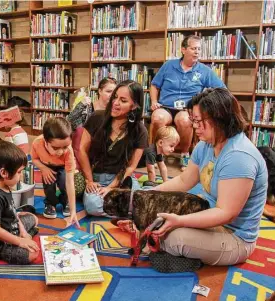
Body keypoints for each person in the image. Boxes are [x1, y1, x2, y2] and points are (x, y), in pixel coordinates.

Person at [152, 88, 267, 266]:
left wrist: (180, 221)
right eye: (193, 120)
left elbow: (225, 214)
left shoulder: (239, 156)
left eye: (198, 121)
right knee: (156, 214)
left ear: (220, 118)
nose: (194, 126)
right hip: (209, 215)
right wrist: (149, 193)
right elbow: (184, 181)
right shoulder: (205, 144)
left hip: (235, 237)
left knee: (171, 237)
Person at [150, 35, 225, 171]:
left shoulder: (204, 71)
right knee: (157, 118)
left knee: (185, 120)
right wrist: (154, 101)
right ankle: (156, 154)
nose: (197, 52)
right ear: (183, 50)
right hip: (165, 106)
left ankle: (184, 154)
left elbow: (221, 89)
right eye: (193, 48)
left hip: (187, 109)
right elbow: (154, 85)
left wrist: (206, 105)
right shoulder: (168, 65)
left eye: (199, 49)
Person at [79, 80, 148, 216]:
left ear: (134, 106)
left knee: (141, 203)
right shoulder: (96, 117)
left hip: (121, 178)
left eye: (123, 100)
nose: (115, 103)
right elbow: (82, 150)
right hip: (96, 178)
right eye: (115, 97)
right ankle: (125, 210)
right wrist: (89, 180)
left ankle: (122, 206)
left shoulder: (140, 130)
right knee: (93, 206)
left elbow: (131, 167)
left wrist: (111, 188)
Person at [0, 140, 40, 264]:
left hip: (10, 226)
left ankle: (26, 234)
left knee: (34, 218)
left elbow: (12, 212)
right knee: (32, 254)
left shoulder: (5, 185)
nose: (21, 176)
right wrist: (20, 241)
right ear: (4, 172)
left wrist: (22, 231)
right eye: (19, 172)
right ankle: (28, 236)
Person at [31, 117, 79, 227]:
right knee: (48, 182)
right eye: (56, 148)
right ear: (46, 141)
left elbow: (70, 182)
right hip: (46, 165)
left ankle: (65, 201)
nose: (61, 151)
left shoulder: (69, 152)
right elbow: (34, 159)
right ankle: (50, 204)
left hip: (62, 167)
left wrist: (73, 211)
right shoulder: (37, 143)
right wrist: (43, 168)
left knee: (64, 182)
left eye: (65, 147)